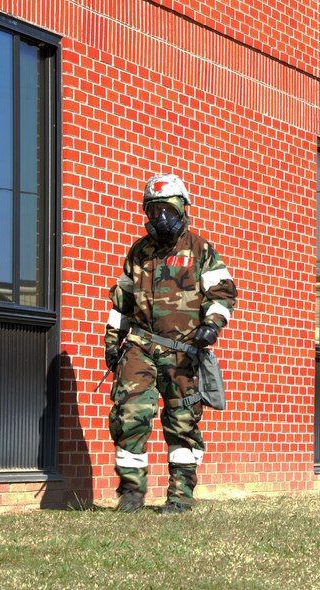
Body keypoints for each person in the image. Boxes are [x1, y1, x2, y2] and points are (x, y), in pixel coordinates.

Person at [103, 173, 237, 514]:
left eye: (167, 208)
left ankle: (180, 497)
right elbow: (122, 302)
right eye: (154, 209)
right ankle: (131, 494)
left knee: (182, 422)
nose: (160, 217)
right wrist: (111, 343)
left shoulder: (200, 250)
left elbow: (223, 293)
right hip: (139, 346)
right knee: (129, 414)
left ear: (182, 209)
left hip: (183, 353)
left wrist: (212, 326)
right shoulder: (139, 251)